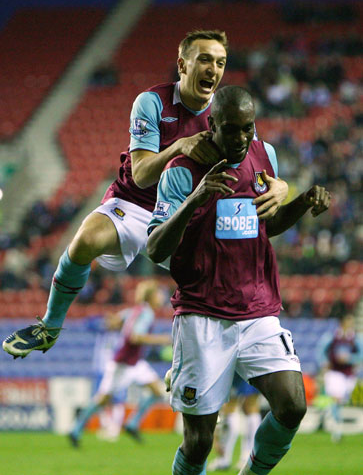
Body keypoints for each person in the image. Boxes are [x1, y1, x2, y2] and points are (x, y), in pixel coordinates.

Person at [3, 29, 288, 359]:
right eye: (205, 60)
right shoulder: (152, 102)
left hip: (186, 213)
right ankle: (50, 327)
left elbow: (256, 162)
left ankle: (192, 364)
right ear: (183, 64)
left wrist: (279, 186)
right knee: (84, 241)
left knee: (214, 280)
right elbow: (140, 175)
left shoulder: (226, 111)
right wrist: (179, 147)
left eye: (221, 62)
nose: (213, 69)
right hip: (135, 203)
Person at [147, 85, 331, 475]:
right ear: (212, 124)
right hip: (202, 316)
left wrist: (302, 200)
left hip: (257, 311)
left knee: (293, 405)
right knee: (199, 444)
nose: (242, 138)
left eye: (248, 128)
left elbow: (266, 224)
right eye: (232, 129)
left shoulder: (265, 156)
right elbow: (154, 249)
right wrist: (194, 201)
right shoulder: (181, 172)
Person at [68, 279, 171, 446]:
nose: (161, 297)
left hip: (135, 362)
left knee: (158, 391)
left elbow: (116, 320)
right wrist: (161, 339)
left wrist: (112, 323)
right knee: (103, 399)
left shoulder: (134, 311)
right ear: (151, 296)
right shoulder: (147, 314)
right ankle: (76, 428)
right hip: (123, 364)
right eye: (158, 294)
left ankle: (132, 423)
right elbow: (135, 337)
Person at [316, 313, 363, 442]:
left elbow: (361, 355)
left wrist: (350, 359)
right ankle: (337, 429)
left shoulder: (355, 338)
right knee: (337, 399)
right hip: (335, 372)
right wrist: (324, 363)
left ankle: (330, 418)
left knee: (342, 400)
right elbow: (321, 351)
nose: (351, 324)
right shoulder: (332, 337)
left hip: (349, 373)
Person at [208, 375, 261, 472]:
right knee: (251, 404)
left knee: (230, 404)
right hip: (256, 364)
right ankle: (248, 458)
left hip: (235, 363)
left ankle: (224, 459)